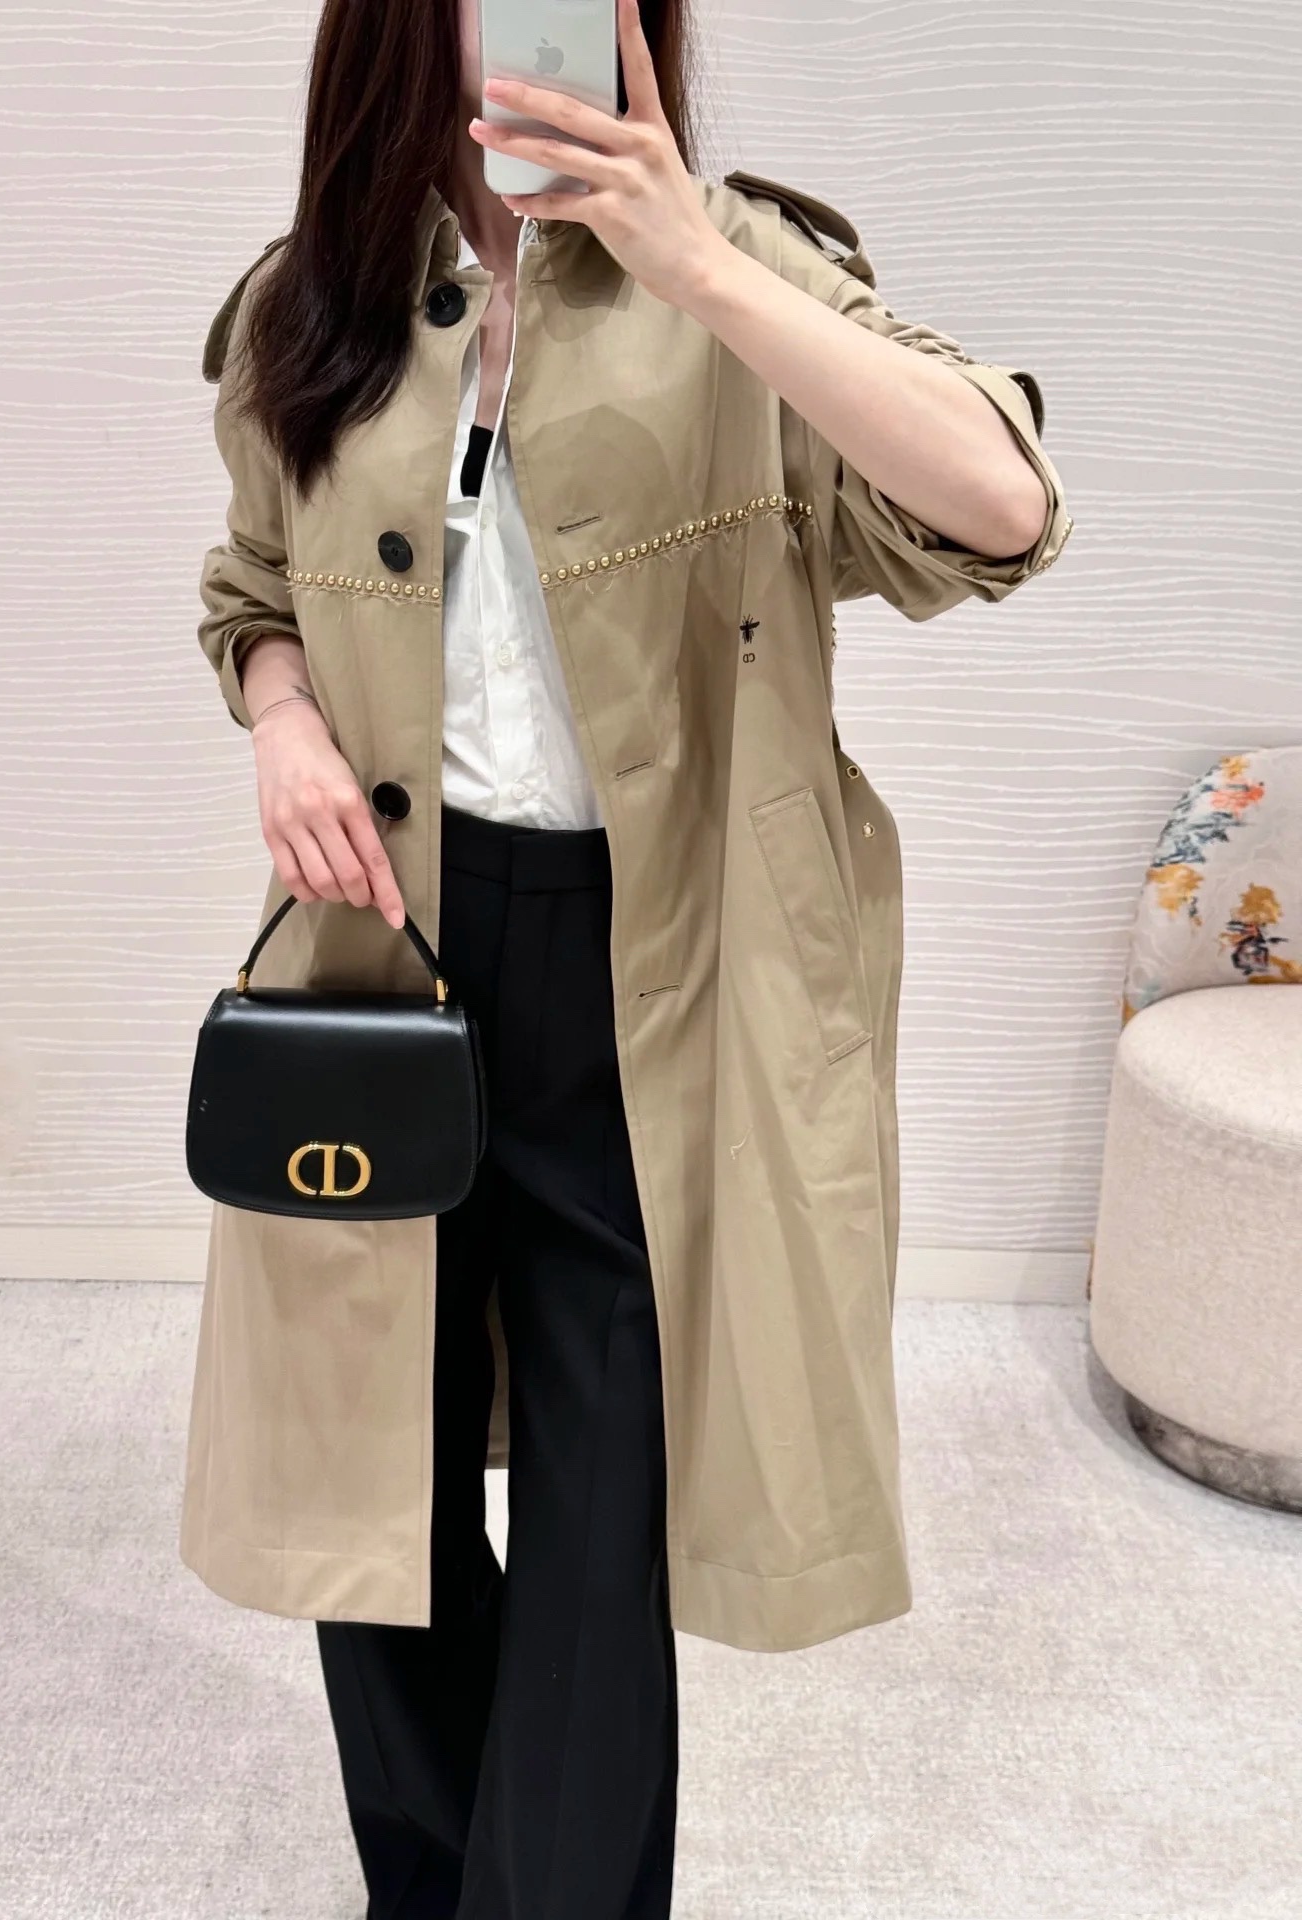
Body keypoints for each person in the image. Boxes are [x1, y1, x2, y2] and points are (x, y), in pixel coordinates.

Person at [181, 1, 1072, 1914]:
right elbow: (250, 583)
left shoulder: (739, 269)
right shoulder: (309, 302)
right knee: (375, 1492)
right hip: (381, 962)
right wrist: (282, 717)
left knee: (607, 1520)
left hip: (653, 973)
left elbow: (1002, 510)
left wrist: (699, 265)